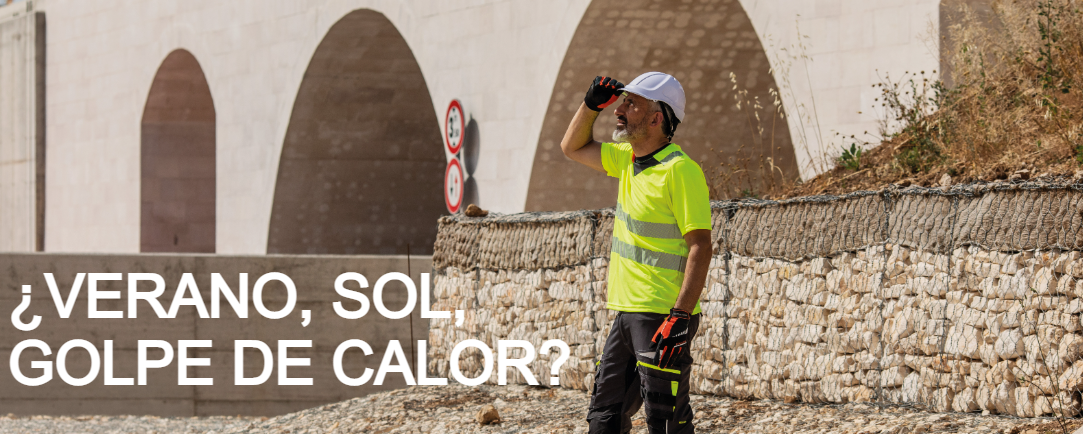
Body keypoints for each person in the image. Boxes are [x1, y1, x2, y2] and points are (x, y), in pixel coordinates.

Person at [561, 72, 712, 433]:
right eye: (621, 101)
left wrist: (680, 316)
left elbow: (700, 247)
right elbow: (571, 147)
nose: (620, 109)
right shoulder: (627, 159)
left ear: (657, 117)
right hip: (627, 313)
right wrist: (589, 105)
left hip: (662, 315)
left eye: (632, 103)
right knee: (604, 420)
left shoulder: (681, 171)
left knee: (665, 421)